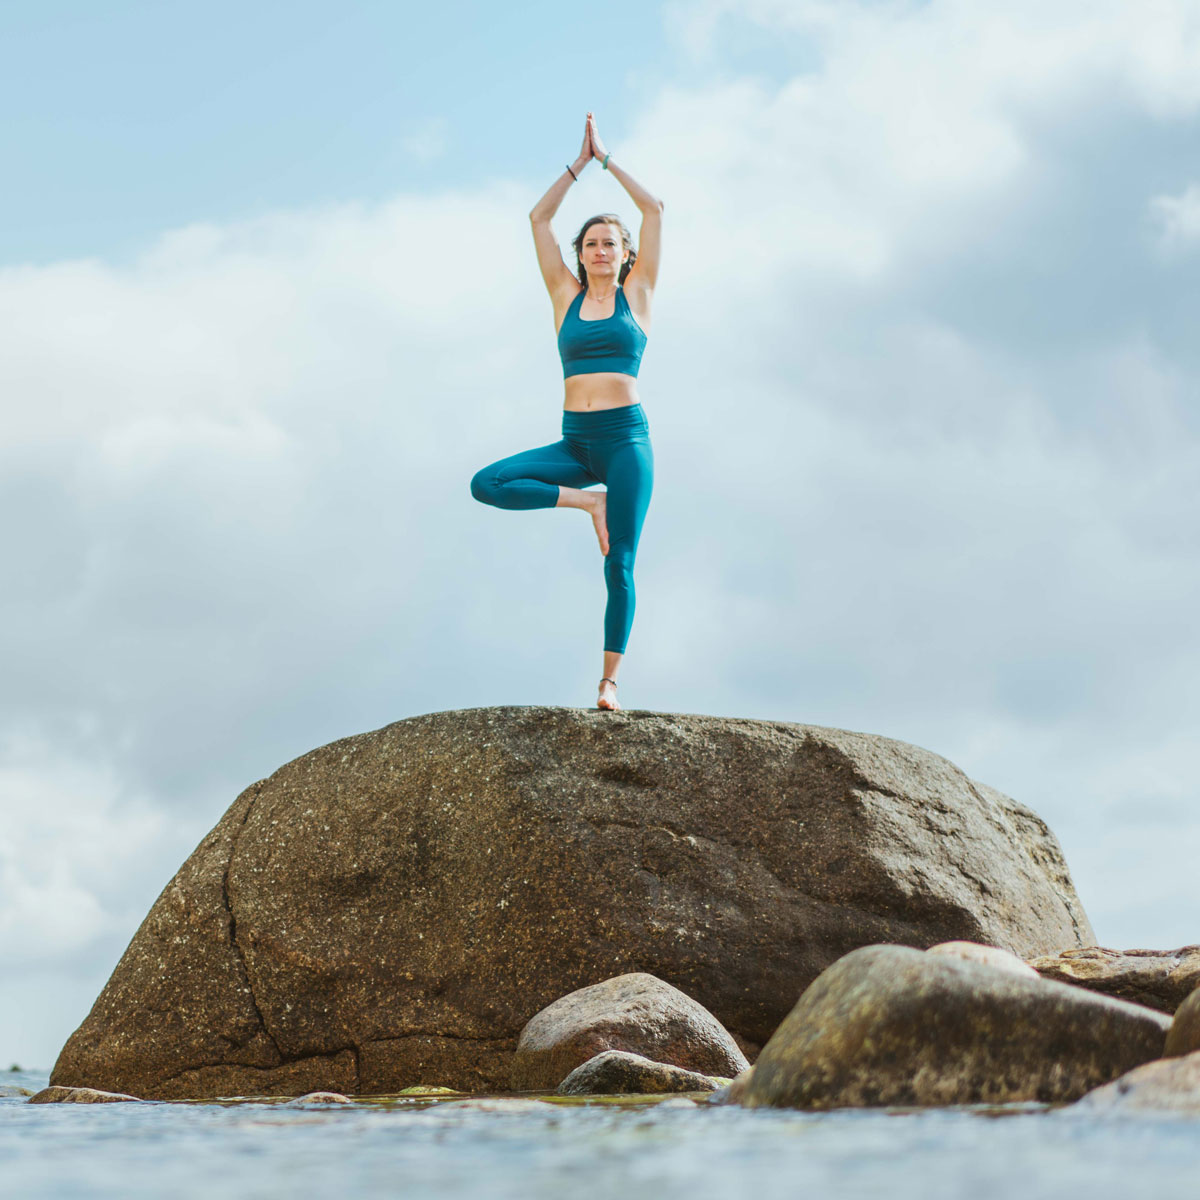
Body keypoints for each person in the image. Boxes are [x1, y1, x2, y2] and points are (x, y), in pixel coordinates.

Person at [470, 113, 663, 712]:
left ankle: (608, 682)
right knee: (489, 483)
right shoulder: (564, 296)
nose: (601, 249)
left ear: (625, 253)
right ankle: (588, 501)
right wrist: (577, 166)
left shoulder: (639, 294)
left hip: (625, 441)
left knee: (620, 562)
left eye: (611, 242)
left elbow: (654, 208)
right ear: (579, 254)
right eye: (591, 243)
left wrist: (607, 161)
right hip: (575, 444)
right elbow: (537, 218)